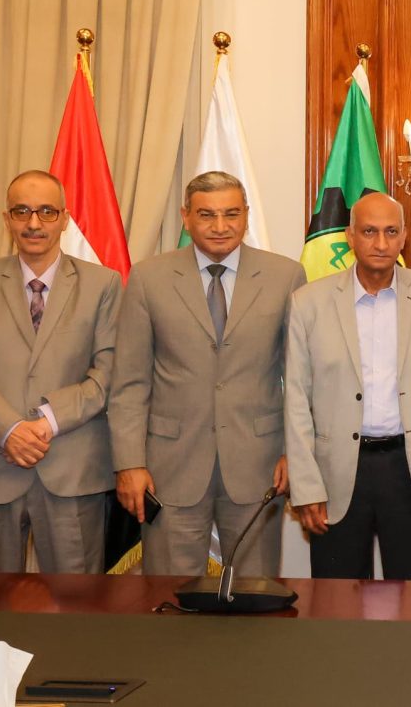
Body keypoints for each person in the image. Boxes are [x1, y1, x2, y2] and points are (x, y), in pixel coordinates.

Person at [110, 172, 306, 578]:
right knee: (169, 594)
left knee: (254, 595)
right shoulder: (148, 278)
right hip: (169, 469)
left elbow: (299, 379)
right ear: (186, 217)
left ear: (246, 216)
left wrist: (295, 453)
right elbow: (130, 382)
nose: (220, 226)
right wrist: (129, 462)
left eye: (231, 214)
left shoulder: (286, 276)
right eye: (206, 215)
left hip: (258, 465)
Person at [0, 170, 123, 573]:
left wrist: (47, 421)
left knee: (75, 604)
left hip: (72, 472)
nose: (34, 223)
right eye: (22, 211)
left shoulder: (103, 284)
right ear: (6, 219)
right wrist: (9, 429)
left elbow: (109, 371)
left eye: (46, 211)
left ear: (65, 218)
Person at [285, 192, 411, 579]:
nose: (381, 243)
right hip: (336, 472)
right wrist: (306, 486)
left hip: (410, 470)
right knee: (336, 600)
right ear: (349, 236)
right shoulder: (308, 302)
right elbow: (296, 401)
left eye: (391, 232)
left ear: (404, 237)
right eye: (369, 231)